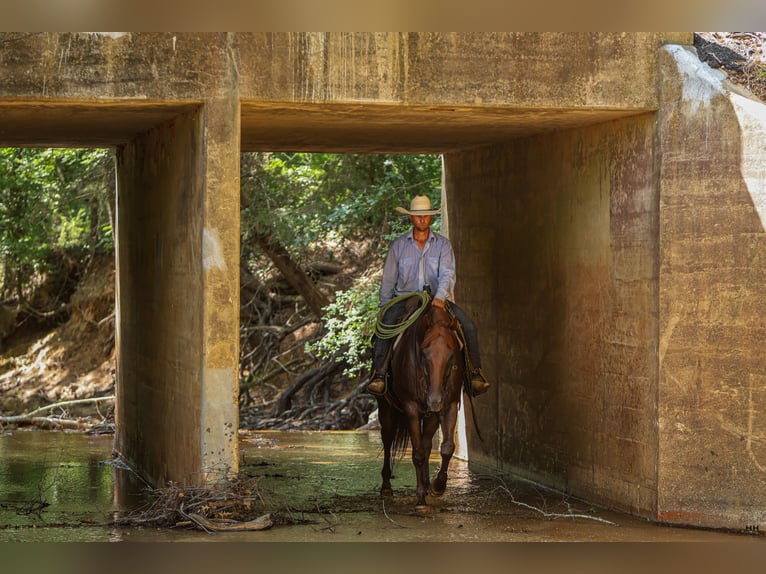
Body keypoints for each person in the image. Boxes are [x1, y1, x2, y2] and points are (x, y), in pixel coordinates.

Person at [366, 195, 491, 397]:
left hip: (437, 299)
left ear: (430, 218)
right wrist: (385, 306)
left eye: (425, 215)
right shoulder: (398, 246)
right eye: (417, 216)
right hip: (405, 299)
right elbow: (388, 280)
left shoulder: (443, 245)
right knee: (386, 326)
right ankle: (379, 375)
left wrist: (440, 297)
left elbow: (447, 274)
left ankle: (474, 374)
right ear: (411, 219)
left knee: (468, 325)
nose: (422, 219)